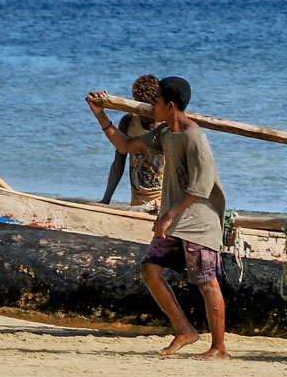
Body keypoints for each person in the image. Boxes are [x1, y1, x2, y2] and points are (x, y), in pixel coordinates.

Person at [87, 76, 230, 359]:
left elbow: (201, 188)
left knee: (206, 282)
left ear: (171, 105)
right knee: (150, 271)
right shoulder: (166, 133)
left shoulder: (194, 137)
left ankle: (219, 348)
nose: (152, 107)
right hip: (175, 221)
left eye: (157, 102)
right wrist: (100, 114)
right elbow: (126, 146)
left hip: (199, 222)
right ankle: (185, 330)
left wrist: (167, 216)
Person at [100, 74, 165, 209]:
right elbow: (118, 164)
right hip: (138, 204)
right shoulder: (128, 122)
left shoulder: (167, 128)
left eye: (149, 107)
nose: (145, 114)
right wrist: (106, 200)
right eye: (141, 108)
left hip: (163, 204)